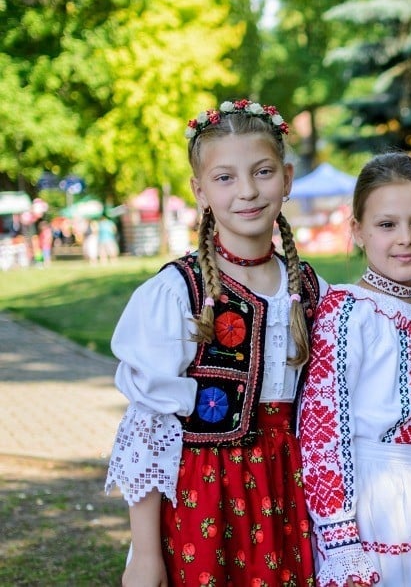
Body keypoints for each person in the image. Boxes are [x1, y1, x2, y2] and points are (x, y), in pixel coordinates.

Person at [104, 99, 327, 586]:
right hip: (205, 496)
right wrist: (145, 554)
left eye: (263, 172)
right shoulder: (176, 293)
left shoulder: (310, 288)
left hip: (292, 490)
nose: (247, 191)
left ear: (287, 179)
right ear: (199, 191)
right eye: (225, 177)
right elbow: (149, 429)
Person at [298, 152, 411, 586]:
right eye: (387, 225)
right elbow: (322, 428)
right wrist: (340, 537)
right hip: (372, 498)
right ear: (357, 230)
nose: (405, 238)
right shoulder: (349, 310)